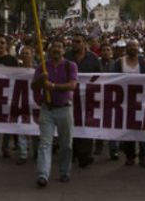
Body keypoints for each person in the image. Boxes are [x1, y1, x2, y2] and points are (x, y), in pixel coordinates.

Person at [32, 38, 78, 187]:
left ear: (64, 50)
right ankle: (42, 175)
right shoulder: (42, 67)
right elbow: (34, 86)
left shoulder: (70, 66)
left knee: (66, 144)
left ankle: (64, 172)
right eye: (54, 47)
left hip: (65, 109)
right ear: (49, 50)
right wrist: (41, 79)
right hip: (47, 109)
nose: (56, 49)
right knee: (45, 143)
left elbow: (72, 85)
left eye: (59, 47)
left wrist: (53, 86)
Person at [112, 39, 145, 168]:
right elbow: (111, 77)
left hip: (143, 101)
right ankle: (130, 156)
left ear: (138, 47)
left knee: (144, 130)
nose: (132, 48)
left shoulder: (144, 61)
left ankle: (144, 156)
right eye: (130, 46)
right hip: (125, 101)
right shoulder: (119, 62)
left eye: (135, 46)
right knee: (129, 130)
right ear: (127, 48)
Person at [66, 33, 101, 168]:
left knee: (86, 127)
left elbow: (100, 76)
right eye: (73, 41)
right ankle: (73, 153)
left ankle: (85, 156)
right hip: (70, 97)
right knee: (71, 126)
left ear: (84, 43)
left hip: (88, 99)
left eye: (78, 41)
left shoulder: (93, 58)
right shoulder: (67, 57)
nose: (75, 44)